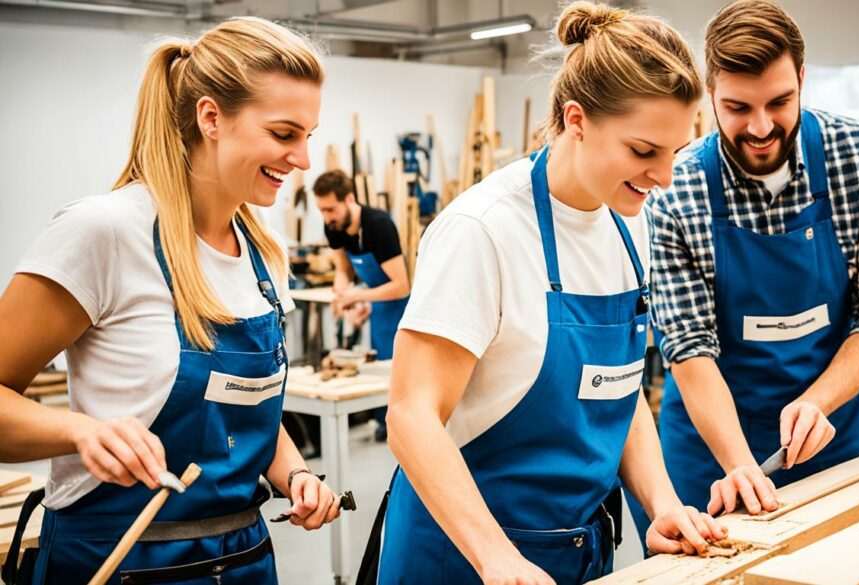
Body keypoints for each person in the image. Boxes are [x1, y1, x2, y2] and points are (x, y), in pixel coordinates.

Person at [368, 3, 726, 584]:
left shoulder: (626, 219)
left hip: (573, 550)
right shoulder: (483, 231)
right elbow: (411, 417)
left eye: (676, 153)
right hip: (463, 557)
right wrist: (495, 556)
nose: (664, 177)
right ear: (577, 119)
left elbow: (615, 388)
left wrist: (661, 502)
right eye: (643, 151)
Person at [0, 18, 339, 584]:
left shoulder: (263, 255)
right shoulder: (104, 232)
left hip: (244, 560)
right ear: (211, 118)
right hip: (120, 560)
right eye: (285, 135)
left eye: (309, 136)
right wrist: (82, 432)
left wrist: (296, 474)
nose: (303, 160)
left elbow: (244, 408)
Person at [644, 0, 859, 526]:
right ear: (710, 97)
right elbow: (689, 346)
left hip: (832, 430)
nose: (762, 127)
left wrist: (818, 402)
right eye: (738, 108)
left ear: (802, 80)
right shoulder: (676, 189)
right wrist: (741, 466)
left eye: (779, 102)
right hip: (712, 453)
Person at [312, 170, 409, 442]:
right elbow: (344, 269)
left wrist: (360, 297)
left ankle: (403, 430)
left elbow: (401, 285)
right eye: (321, 210)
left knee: (399, 368)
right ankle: (384, 424)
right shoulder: (334, 227)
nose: (327, 217)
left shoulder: (378, 226)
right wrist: (343, 294)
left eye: (331, 208)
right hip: (378, 304)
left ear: (349, 199)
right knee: (380, 365)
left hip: (403, 306)